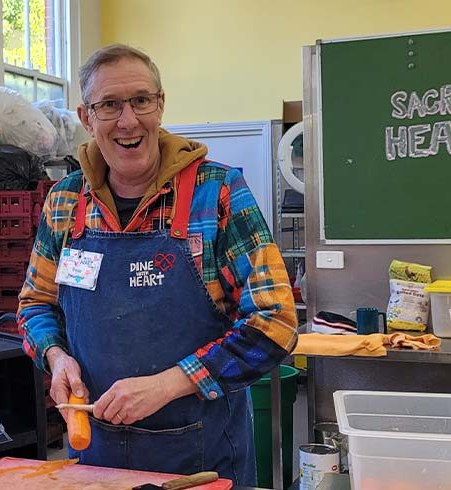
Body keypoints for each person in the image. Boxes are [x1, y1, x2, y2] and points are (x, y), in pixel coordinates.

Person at [17, 44, 298, 486]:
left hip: (199, 458)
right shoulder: (65, 202)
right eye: (109, 105)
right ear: (86, 117)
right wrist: (56, 358)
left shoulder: (219, 193)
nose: (128, 121)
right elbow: (35, 304)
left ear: (160, 104)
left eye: (141, 101)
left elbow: (275, 322)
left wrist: (169, 384)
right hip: (94, 457)